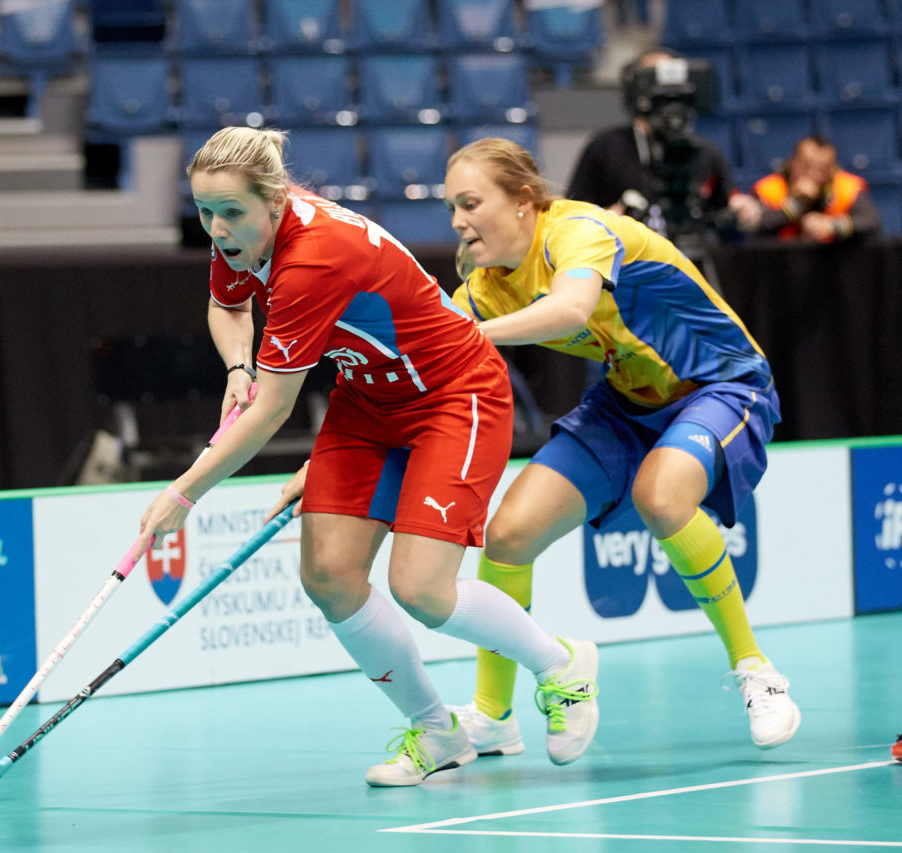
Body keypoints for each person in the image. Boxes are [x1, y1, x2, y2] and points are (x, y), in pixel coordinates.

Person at [271, 136, 801, 757]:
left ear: (523, 200)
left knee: (661, 497)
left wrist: (465, 335)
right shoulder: (486, 284)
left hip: (720, 383)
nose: (458, 221)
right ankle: (495, 716)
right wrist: (327, 461)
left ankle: (756, 670)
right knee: (509, 535)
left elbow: (572, 308)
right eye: (450, 209)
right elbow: (414, 378)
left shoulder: (577, 231)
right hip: (624, 404)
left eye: (470, 202)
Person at [137, 126, 600, 788]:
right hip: (369, 397)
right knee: (328, 572)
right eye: (204, 212)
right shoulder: (240, 230)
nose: (216, 228)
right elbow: (226, 305)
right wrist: (238, 365)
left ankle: (562, 663)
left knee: (422, 586)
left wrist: (182, 494)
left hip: (452, 394)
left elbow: (271, 411)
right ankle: (437, 730)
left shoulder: (312, 259)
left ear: (275, 199)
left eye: (230, 212)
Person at [566, 49, 762, 239]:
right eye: (654, 79)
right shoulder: (605, 148)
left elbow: (730, 203)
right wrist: (607, 218)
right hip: (626, 259)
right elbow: (572, 215)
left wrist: (745, 210)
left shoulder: (704, 151)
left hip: (690, 253)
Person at [746, 135, 881, 242]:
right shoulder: (768, 189)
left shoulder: (847, 187)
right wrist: (796, 205)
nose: (813, 175)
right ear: (792, 162)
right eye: (806, 166)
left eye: (822, 169)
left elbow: (871, 222)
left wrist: (833, 226)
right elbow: (752, 228)